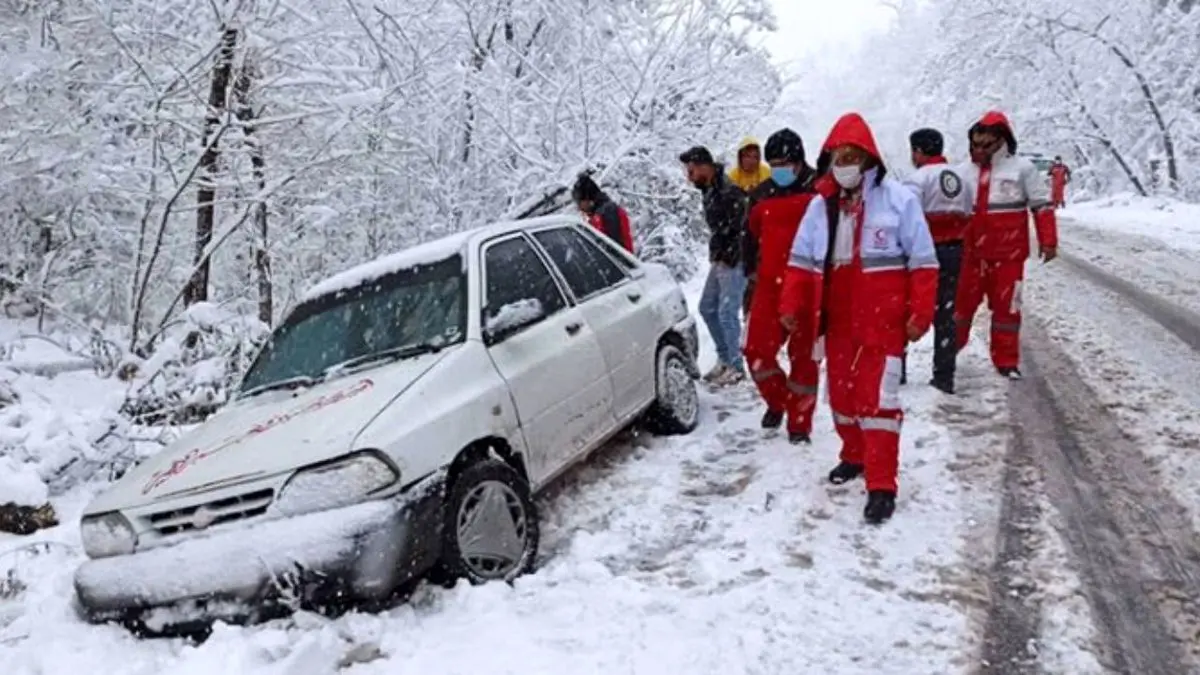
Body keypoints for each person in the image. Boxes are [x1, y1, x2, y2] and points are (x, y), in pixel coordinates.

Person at [780, 113, 939, 524]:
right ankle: (854, 455)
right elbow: (798, 263)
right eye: (837, 156)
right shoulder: (820, 207)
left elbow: (923, 263)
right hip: (836, 320)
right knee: (844, 400)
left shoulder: (899, 201)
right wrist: (791, 306)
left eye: (852, 155)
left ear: (868, 159)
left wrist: (920, 313)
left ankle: (882, 484)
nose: (844, 163)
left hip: (882, 323)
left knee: (879, 403)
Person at [955, 111, 1058, 379]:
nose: (980, 149)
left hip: (1008, 257)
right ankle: (948, 353)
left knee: (1007, 311)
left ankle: (1006, 360)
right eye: (976, 144)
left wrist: (1048, 241)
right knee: (959, 308)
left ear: (1002, 141)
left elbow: (1041, 206)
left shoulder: (1022, 170)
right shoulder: (962, 172)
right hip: (969, 256)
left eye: (986, 143)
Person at [742, 128, 821, 444]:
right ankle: (778, 401)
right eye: (773, 163)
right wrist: (749, 278)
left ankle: (800, 423)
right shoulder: (760, 195)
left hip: (808, 286)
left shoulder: (821, 191)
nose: (779, 169)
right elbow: (748, 240)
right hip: (769, 285)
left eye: (784, 163)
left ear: (799, 161)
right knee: (755, 351)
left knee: (805, 357)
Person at [902, 128, 973, 394]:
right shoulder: (961, 178)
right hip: (955, 250)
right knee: (946, 314)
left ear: (917, 151)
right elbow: (969, 211)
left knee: (908, 310)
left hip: (924, 253)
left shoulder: (916, 180)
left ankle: (897, 372)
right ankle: (944, 376)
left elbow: (908, 219)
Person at [680, 145, 750, 385]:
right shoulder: (709, 190)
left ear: (704, 167)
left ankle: (736, 366)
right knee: (707, 308)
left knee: (727, 312)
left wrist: (729, 256)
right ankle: (725, 359)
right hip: (720, 257)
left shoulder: (729, 192)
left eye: (691, 172)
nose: (688, 178)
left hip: (733, 259)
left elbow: (740, 230)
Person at [572, 174, 635, 253]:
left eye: (579, 202)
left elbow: (614, 247)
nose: (579, 207)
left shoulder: (608, 212)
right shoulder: (599, 213)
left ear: (588, 198)